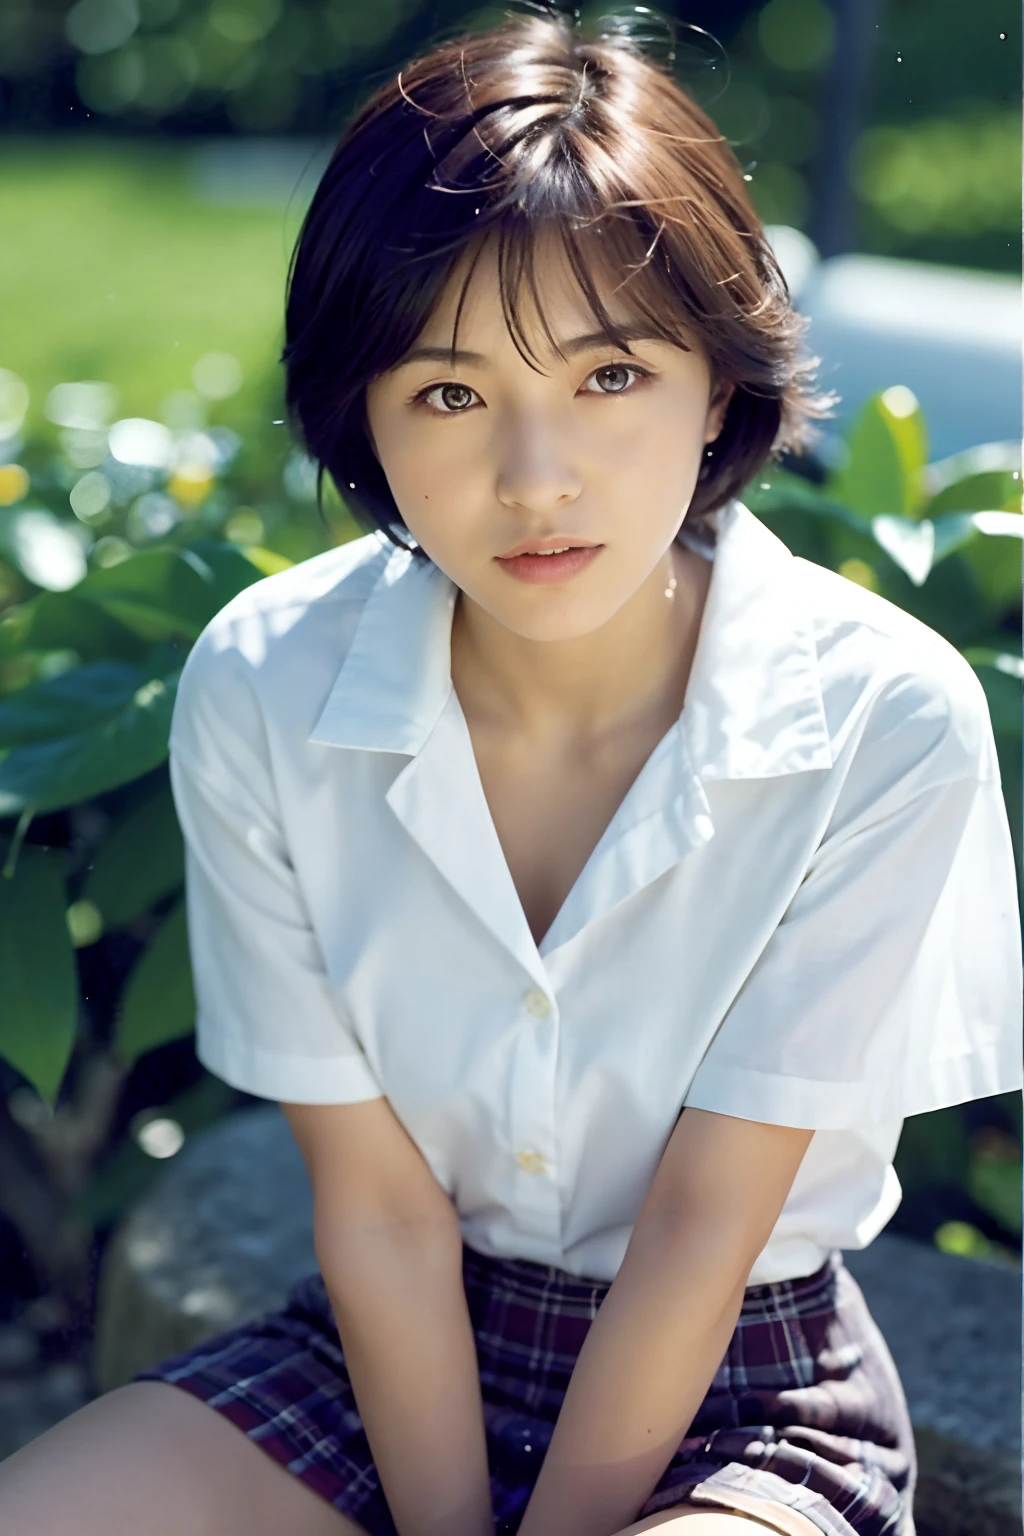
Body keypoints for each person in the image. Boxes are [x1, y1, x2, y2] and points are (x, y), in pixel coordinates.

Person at [1, 12, 1019, 1536]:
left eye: (610, 377)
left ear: (719, 382)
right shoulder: (264, 685)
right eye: (452, 393)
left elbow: (699, 1232)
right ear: (366, 414)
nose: (536, 478)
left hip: (741, 1386)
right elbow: (382, 1209)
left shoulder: (883, 718)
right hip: (385, 1350)